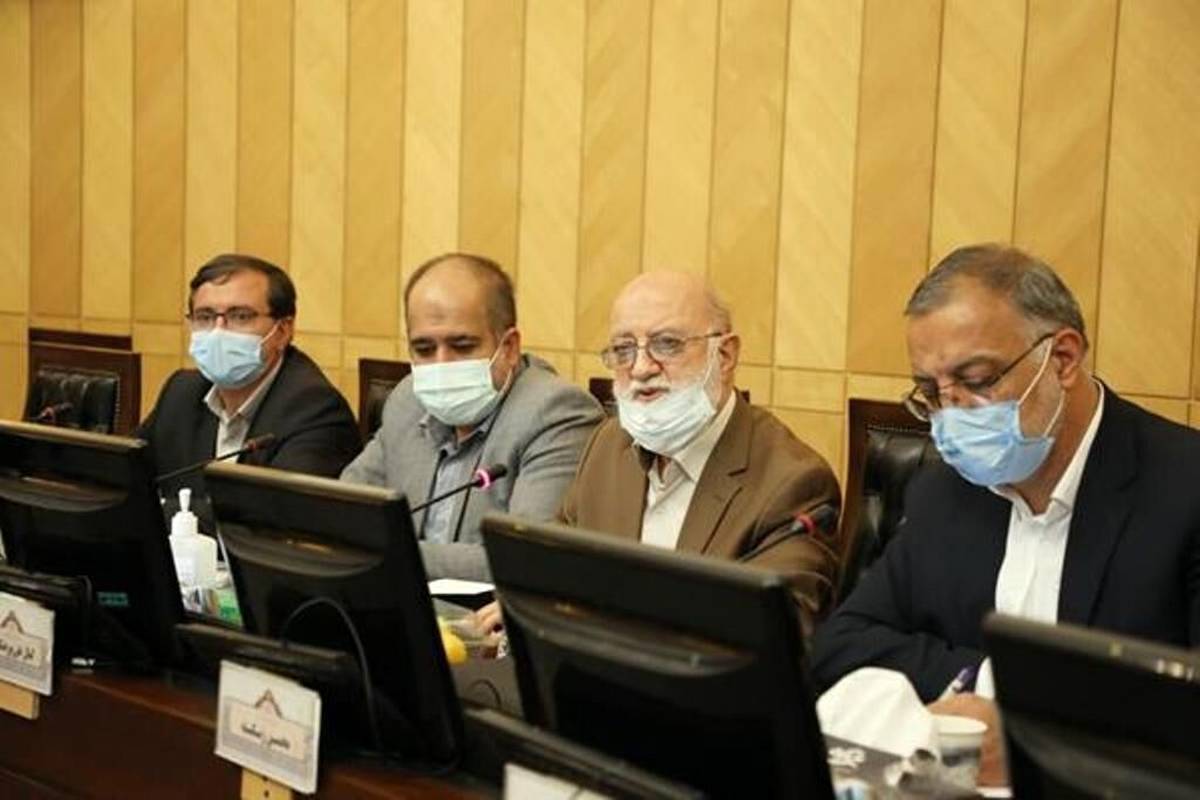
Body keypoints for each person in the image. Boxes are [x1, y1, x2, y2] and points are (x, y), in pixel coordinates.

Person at [811, 244, 1200, 785]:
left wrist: (1028, 728)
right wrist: (980, 685)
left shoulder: (1184, 491)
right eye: (931, 392)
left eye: (976, 380)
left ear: (1062, 359)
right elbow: (843, 643)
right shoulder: (944, 491)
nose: (951, 415)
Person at [550, 271, 841, 633]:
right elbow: (555, 566)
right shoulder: (608, 445)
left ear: (725, 355)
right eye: (623, 350)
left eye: (667, 344)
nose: (640, 368)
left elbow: (775, 629)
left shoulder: (792, 483)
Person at [340, 253, 604, 581]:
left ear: (509, 347)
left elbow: (527, 558)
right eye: (424, 349)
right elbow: (343, 512)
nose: (441, 364)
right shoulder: (408, 399)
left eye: (462, 346)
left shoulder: (557, 413)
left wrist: (387, 551)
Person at [138, 254, 362, 524]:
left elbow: (274, 520)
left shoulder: (315, 409)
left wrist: (162, 514)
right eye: (205, 317)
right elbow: (125, 483)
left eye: (240, 316)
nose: (218, 332)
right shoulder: (182, 392)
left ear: (283, 331)